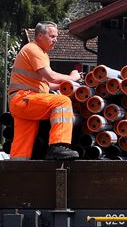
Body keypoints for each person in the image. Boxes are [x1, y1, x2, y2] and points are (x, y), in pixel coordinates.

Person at [8, 22, 82, 160]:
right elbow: (51, 76)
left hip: (22, 102)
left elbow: (47, 84)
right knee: (62, 102)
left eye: (56, 37)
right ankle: (58, 146)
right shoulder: (33, 49)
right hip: (24, 98)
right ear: (40, 36)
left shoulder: (38, 52)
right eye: (52, 36)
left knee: (22, 142)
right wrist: (72, 78)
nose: (55, 40)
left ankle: (16, 169)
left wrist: (65, 85)